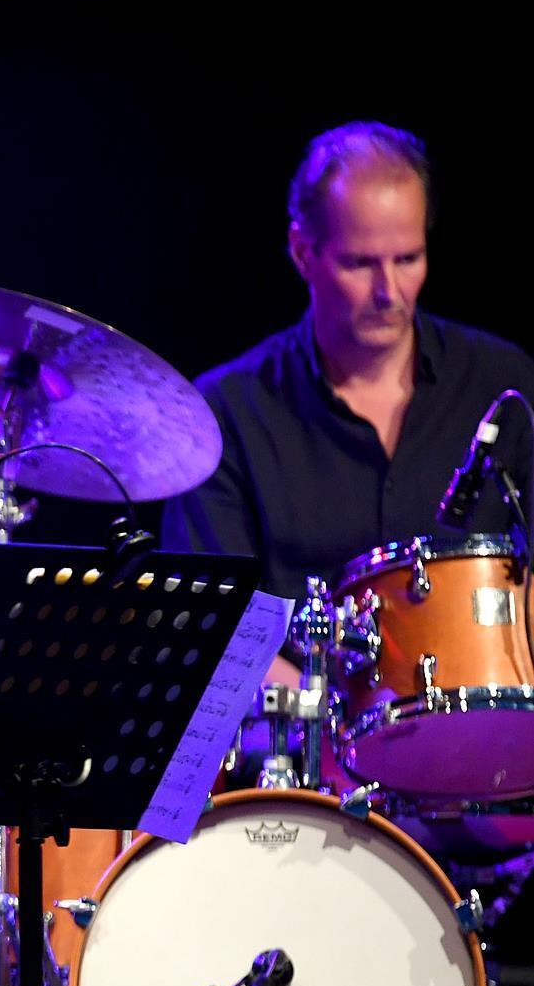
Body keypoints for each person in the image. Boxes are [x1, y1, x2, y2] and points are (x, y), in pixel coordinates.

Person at [162, 120, 534, 686]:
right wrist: (330, 736)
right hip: (303, 757)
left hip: (486, 752)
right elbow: (212, 629)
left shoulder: (504, 384)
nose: (389, 292)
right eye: (360, 264)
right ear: (302, 251)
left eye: (408, 259)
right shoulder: (227, 413)